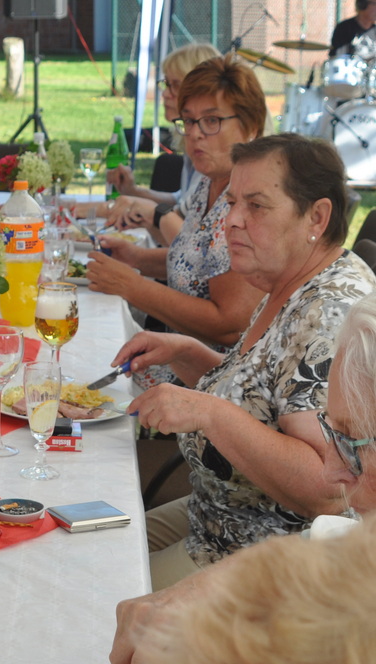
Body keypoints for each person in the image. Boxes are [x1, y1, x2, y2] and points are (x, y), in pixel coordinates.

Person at [107, 133, 376, 593]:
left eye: (255, 205)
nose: (230, 221)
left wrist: (209, 412)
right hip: (217, 515)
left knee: (93, 593)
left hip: (266, 556)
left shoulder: (331, 311)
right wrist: (191, 353)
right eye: (232, 202)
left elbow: (330, 488)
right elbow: (263, 395)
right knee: (79, 546)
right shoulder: (290, 278)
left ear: (317, 215)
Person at [111, 292, 376, 664]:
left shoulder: (330, 303)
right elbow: (330, 537)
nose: (333, 469)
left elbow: (322, 497)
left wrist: (213, 415)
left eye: (351, 443)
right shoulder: (282, 293)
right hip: (211, 508)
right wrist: (198, 593)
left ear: (314, 229)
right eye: (332, 432)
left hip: (245, 526)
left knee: (101, 597)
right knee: (102, 560)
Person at [87, 54, 267, 387]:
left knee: (77, 378)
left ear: (251, 126)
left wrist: (132, 285)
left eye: (211, 121)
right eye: (189, 121)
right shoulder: (210, 184)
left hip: (215, 383)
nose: (196, 134)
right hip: (177, 360)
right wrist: (138, 259)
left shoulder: (246, 203)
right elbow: (198, 264)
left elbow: (229, 324)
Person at [105, 43, 220, 206]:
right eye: (166, 84)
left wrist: (144, 211)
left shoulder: (213, 152)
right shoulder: (191, 140)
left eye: (175, 85)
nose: (165, 93)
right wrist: (133, 192)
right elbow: (182, 202)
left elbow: (186, 219)